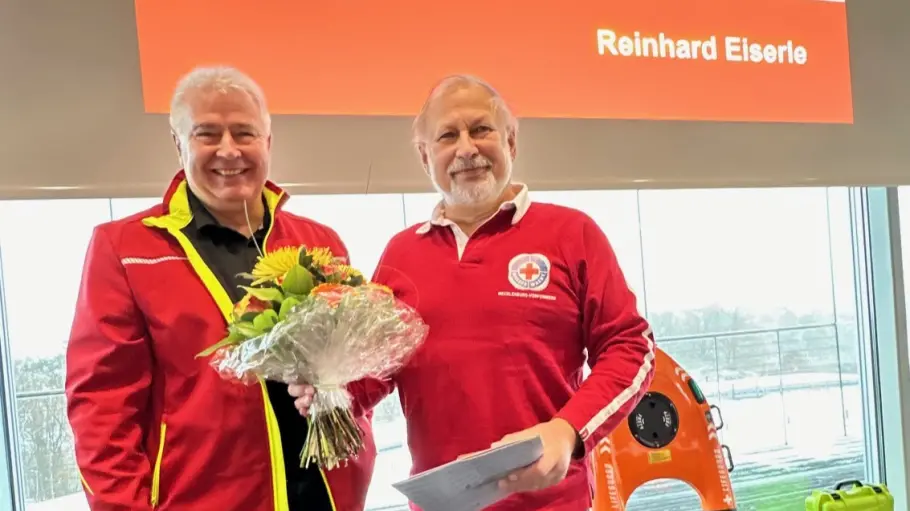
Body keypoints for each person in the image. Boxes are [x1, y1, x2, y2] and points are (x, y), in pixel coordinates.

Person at [290, 75, 656, 510]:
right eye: (448, 135)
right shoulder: (400, 255)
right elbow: (376, 373)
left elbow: (631, 348)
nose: (467, 148)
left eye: (481, 129)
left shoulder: (572, 233)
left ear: (511, 142)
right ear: (426, 157)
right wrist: (328, 388)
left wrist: (568, 430)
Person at [65, 66, 375, 511]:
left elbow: (357, 375)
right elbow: (102, 408)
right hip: (201, 498)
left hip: (327, 495)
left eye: (244, 133)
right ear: (178, 143)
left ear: (268, 142)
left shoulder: (320, 242)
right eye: (207, 134)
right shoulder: (124, 249)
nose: (228, 151)